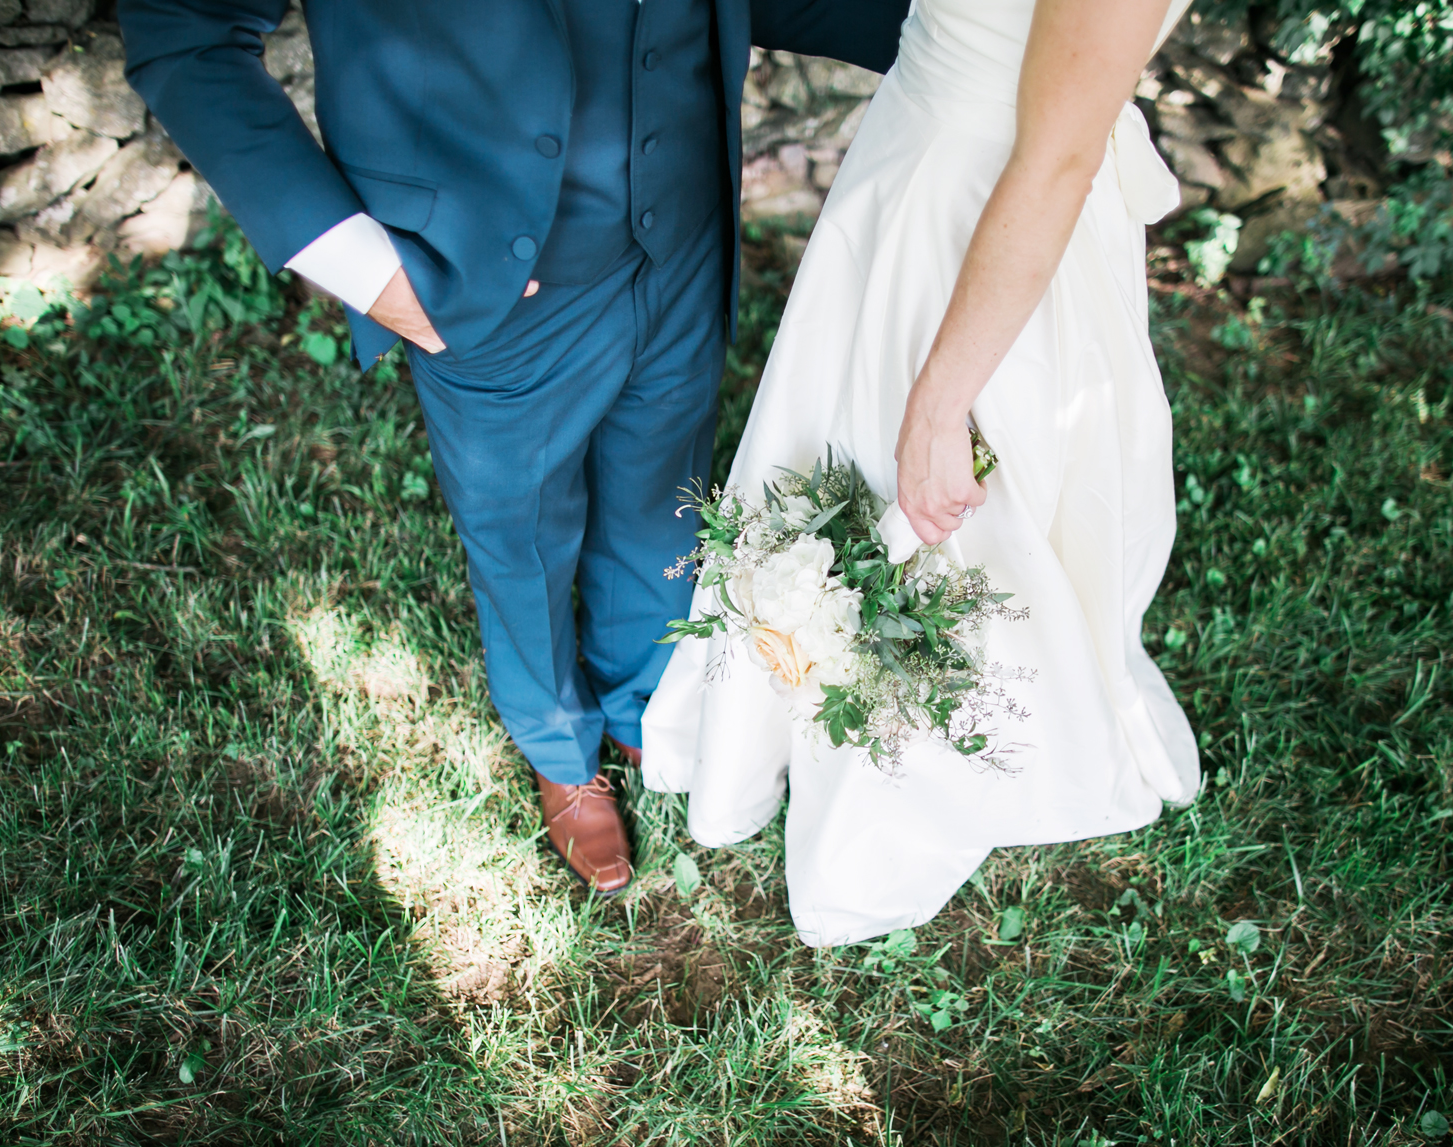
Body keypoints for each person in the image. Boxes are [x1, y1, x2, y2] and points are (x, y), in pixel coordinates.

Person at [118, 0, 909, 895]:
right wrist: (372, 275)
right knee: (523, 536)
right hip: (491, 286)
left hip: (684, 231)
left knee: (665, 498)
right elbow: (181, 26)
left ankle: (640, 692)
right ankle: (557, 741)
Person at [643, 0, 1202, 945]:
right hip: (914, 157)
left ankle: (918, 756)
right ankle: (804, 706)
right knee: (844, 451)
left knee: (957, 502)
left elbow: (1053, 156)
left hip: (987, 211)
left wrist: (942, 400)